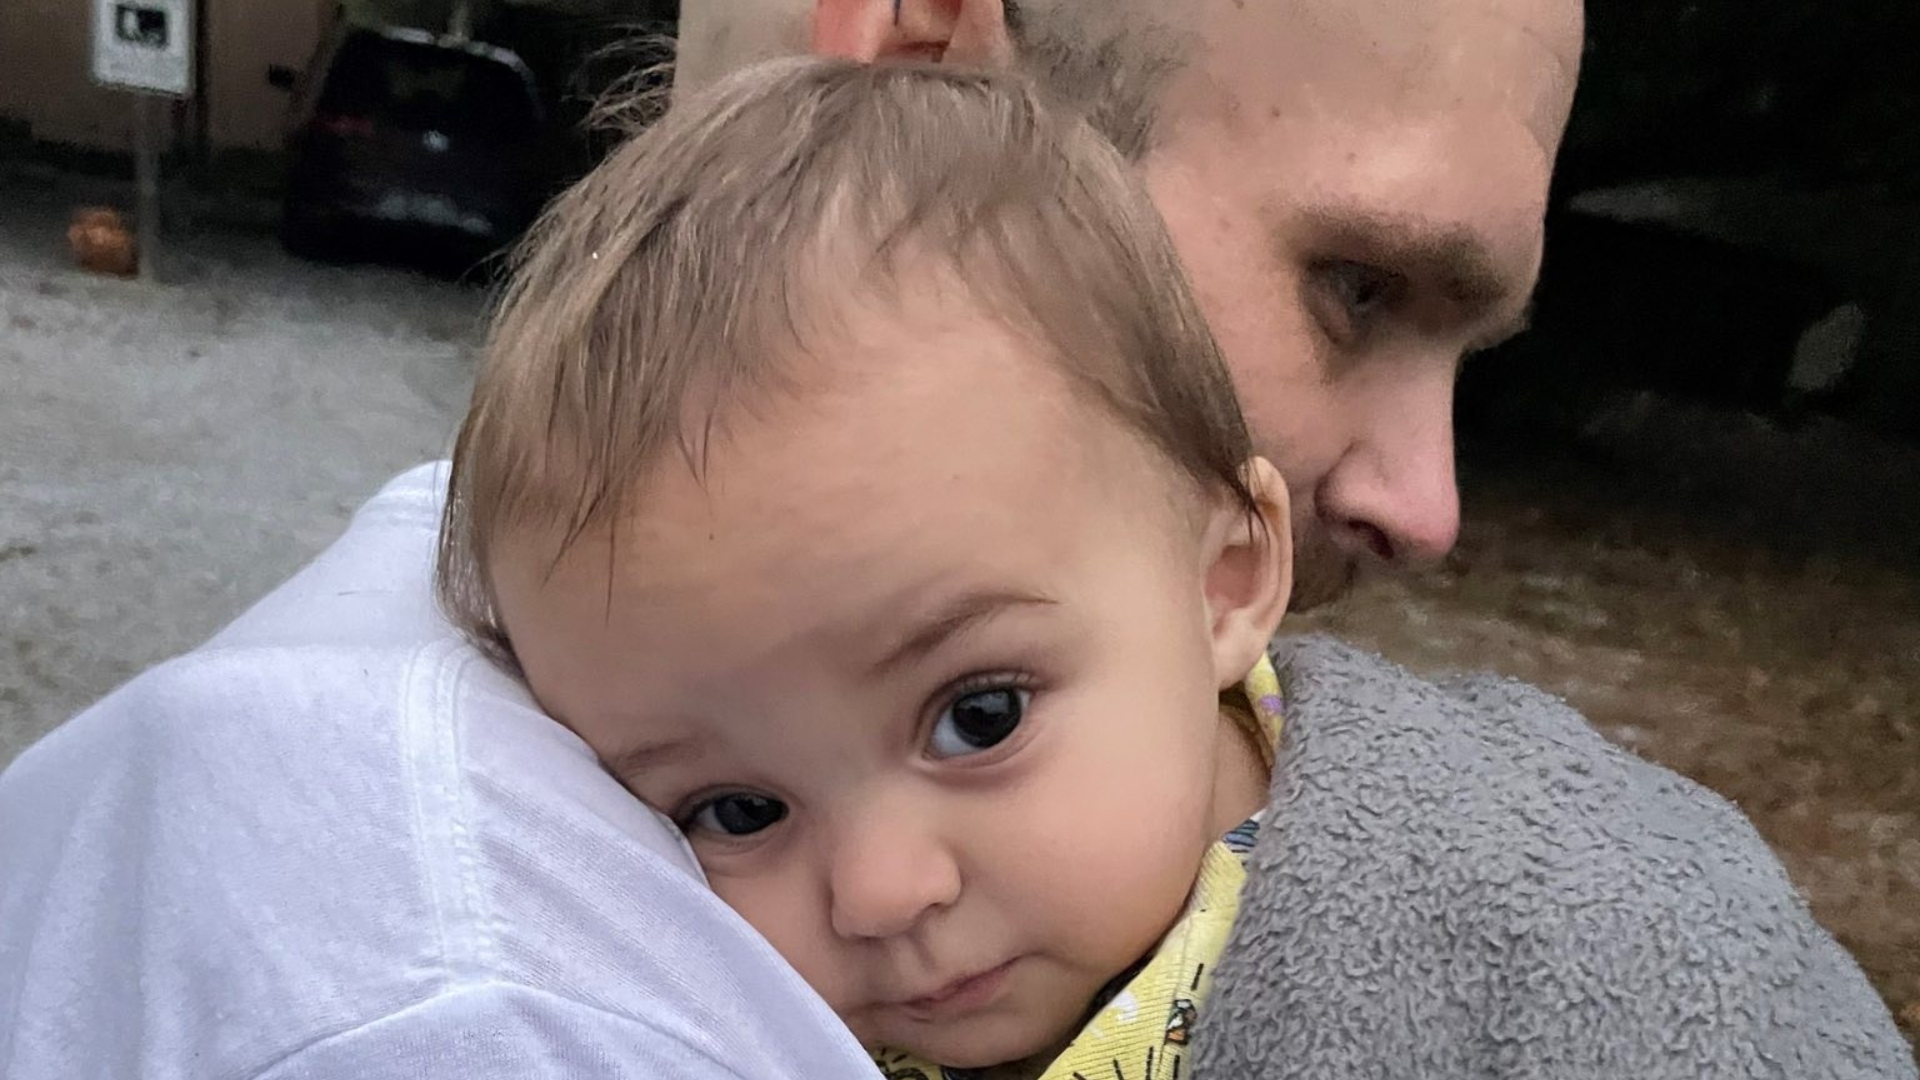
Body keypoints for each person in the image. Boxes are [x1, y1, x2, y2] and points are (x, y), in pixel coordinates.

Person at [0, 1, 1911, 1077]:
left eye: (982, 713)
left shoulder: (1551, 963)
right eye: (729, 813)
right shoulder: (474, 951)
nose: (886, 893)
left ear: (1219, 566)